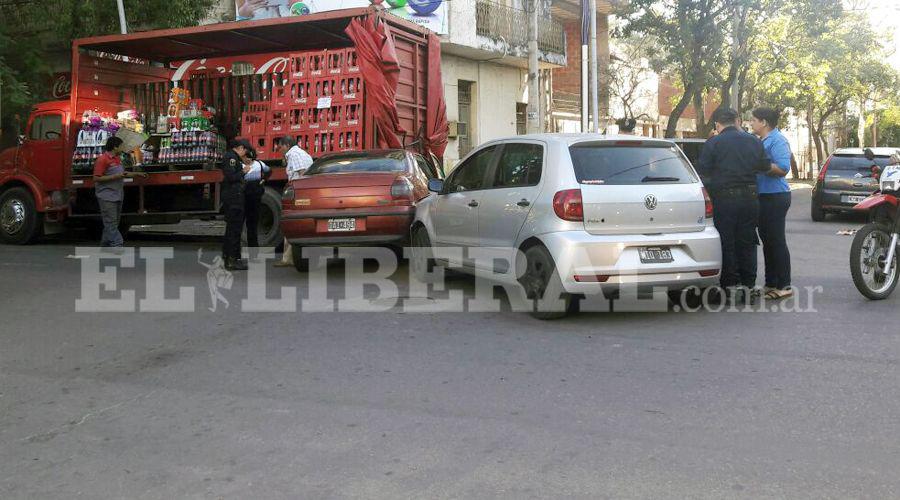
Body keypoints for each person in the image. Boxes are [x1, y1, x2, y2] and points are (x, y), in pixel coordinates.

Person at [697, 108, 770, 303]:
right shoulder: (754, 141)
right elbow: (764, 166)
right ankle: (748, 286)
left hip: (725, 200)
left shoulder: (714, 142)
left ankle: (728, 288)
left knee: (726, 242)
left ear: (717, 124)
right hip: (750, 199)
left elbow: (702, 171)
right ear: (737, 121)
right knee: (748, 242)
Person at [750, 107, 793, 300]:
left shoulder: (778, 140)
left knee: (776, 240)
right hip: (763, 195)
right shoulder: (763, 141)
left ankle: (784, 284)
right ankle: (771, 283)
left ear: (764, 122)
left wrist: (761, 165)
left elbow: (783, 168)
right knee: (767, 240)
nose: (751, 123)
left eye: (753, 120)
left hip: (776, 196)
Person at [92, 136, 147, 250]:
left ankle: (105, 244)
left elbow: (123, 173)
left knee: (113, 222)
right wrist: (115, 176)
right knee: (111, 222)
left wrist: (137, 174)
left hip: (117, 195)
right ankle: (117, 244)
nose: (123, 148)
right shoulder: (102, 160)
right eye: (121, 146)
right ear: (115, 146)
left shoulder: (117, 159)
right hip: (106, 196)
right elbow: (96, 178)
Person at [274, 136, 313, 267]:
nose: (279, 150)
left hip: (298, 195)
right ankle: (288, 257)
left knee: (291, 224)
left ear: (286, 145)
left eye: (280, 147)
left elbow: (302, 174)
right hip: (303, 194)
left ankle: (288, 258)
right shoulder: (300, 153)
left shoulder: (294, 154)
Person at [221, 138, 252, 271]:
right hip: (234, 199)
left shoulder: (234, 158)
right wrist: (243, 171)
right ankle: (232, 260)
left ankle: (230, 257)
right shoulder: (231, 158)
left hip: (234, 198)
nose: (245, 154)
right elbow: (231, 176)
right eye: (245, 151)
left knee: (232, 230)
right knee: (234, 230)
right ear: (240, 148)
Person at [242, 147, 271, 254]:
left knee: (252, 225)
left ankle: (253, 252)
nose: (247, 160)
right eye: (245, 157)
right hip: (243, 197)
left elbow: (269, 171)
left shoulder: (260, 164)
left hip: (255, 198)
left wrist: (263, 180)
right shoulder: (241, 166)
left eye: (248, 158)